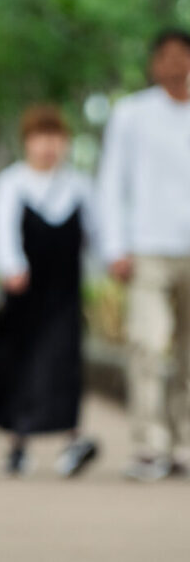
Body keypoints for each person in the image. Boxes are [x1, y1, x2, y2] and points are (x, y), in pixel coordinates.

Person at [96, 28, 190, 481]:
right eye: (166, 55)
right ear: (154, 63)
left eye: (182, 55)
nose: (174, 63)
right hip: (148, 249)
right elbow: (112, 182)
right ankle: (151, 446)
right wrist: (115, 245)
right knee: (147, 344)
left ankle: (182, 443)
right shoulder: (132, 113)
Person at [0, 105, 99, 476]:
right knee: (21, 360)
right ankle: (19, 443)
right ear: (28, 142)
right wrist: (11, 266)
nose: (48, 146)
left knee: (65, 360)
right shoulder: (12, 183)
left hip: (65, 289)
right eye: (40, 138)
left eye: (55, 138)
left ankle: (73, 438)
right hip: (25, 290)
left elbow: (98, 231)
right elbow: (2, 230)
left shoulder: (78, 185)